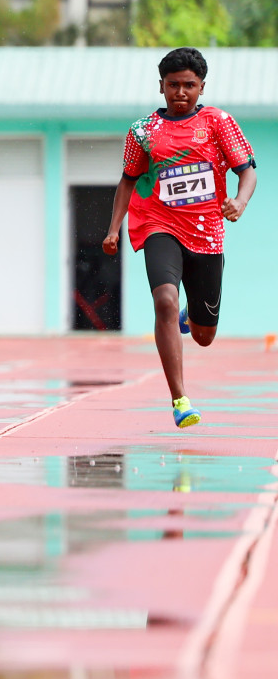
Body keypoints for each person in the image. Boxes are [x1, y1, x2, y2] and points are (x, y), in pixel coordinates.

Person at [103, 47, 257, 429]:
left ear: (202, 87)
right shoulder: (143, 131)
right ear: (161, 87)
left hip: (206, 233)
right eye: (173, 85)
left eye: (189, 85)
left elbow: (247, 171)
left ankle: (195, 315)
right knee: (164, 301)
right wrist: (112, 229)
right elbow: (128, 180)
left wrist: (239, 201)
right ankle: (180, 399)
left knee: (204, 336)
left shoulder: (219, 122)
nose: (181, 92)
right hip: (159, 224)